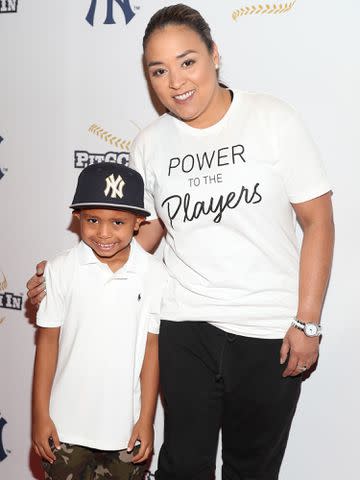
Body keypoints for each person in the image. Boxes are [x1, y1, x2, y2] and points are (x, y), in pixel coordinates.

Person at [28, 4, 335, 479]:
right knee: (181, 467)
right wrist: (68, 274)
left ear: (215, 54)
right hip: (183, 324)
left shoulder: (273, 119)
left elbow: (319, 222)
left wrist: (308, 322)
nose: (176, 82)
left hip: (268, 330)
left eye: (187, 62)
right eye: (159, 70)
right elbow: (141, 233)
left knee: (251, 469)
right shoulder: (149, 144)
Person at [31, 163, 167, 480]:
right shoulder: (60, 269)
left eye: (117, 222)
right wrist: (40, 415)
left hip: (124, 431)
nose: (104, 233)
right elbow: (47, 343)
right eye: (93, 220)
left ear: (138, 223)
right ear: (78, 217)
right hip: (63, 428)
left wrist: (146, 419)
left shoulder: (155, 276)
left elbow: (151, 350)